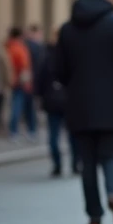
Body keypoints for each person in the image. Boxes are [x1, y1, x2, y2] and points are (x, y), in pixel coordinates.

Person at [55, 0, 113, 224]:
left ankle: (94, 217)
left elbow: (58, 68)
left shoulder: (67, 29)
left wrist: (73, 87)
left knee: (87, 162)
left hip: (79, 104)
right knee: (110, 155)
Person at [35, 28, 74, 176]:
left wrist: (40, 96)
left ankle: (57, 164)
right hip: (69, 101)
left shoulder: (47, 55)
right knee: (72, 135)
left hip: (52, 100)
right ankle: (75, 163)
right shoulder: (71, 54)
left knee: (54, 135)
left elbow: (39, 78)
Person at [5, 26, 35, 141]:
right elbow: (24, 65)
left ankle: (14, 131)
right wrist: (27, 81)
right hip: (21, 81)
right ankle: (22, 131)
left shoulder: (8, 47)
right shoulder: (20, 48)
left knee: (16, 105)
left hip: (13, 80)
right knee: (21, 107)